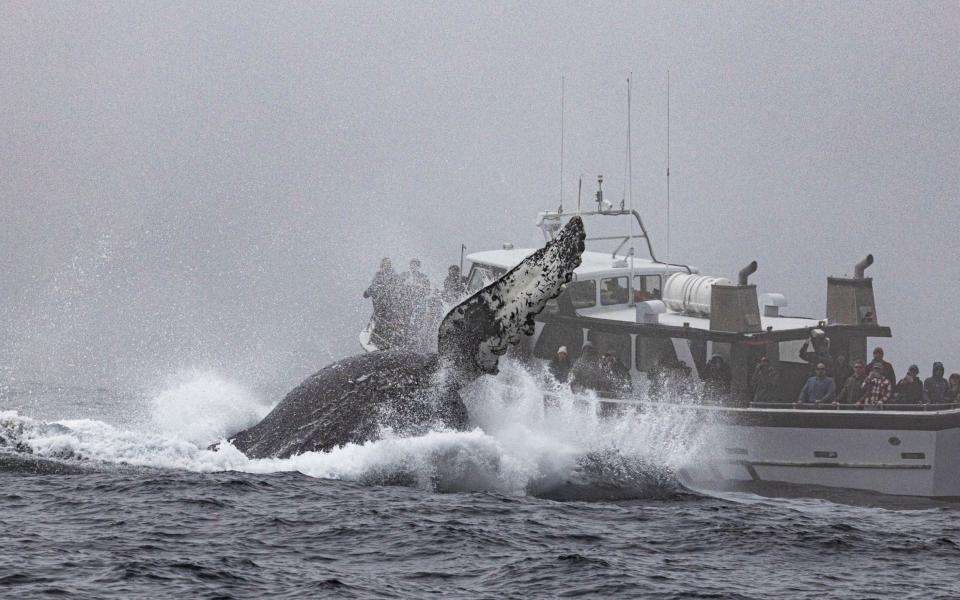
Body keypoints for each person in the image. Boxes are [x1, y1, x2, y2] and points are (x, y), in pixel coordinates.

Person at [363, 258, 400, 345]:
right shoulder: (382, 276)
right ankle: (385, 341)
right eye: (384, 265)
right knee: (385, 322)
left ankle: (380, 341)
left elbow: (368, 292)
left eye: (386, 265)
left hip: (386, 307)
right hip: (387, 307)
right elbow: (370, 290)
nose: (385, 267)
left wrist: (370, 291)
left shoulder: (389, 276)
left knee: (383, 322)